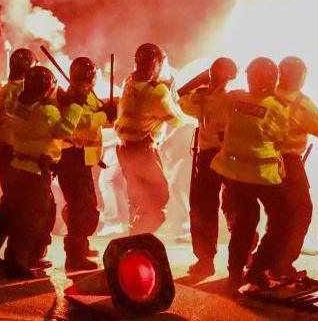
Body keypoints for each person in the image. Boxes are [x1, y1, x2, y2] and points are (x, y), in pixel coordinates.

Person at [210, 57, 291, 291]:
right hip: (262, 175)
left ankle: (235, 272)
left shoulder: (235, 99)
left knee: (245, 221)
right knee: (282, 220)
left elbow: (216, 117)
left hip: (235, 175)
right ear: (272, 79)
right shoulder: (276, 107)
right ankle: (258, 269)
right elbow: (281, 138)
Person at [2, 67, 82, 278]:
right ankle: (18, 264)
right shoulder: (46, 112)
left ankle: (21, 258)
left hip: (19, 168)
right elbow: (64, 130)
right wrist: (75, 104)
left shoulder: (20, 105)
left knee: (24, 216)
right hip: (35, 173)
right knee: (31, 219)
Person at [273, 56, 318, 277]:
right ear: (301, 76)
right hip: (289, 165)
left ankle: (267, 259)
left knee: (278, 214)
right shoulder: (301, 104)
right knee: (301, 211)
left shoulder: (265, 95)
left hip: (260, 162)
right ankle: (282, 263)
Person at [115, 43, 185, 235]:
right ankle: (140, 235)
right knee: (160, 193)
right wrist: (173, 97)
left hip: (125, 148)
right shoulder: (157, 91)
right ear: (155, 63)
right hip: (143, 149)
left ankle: (133, 237)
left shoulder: (128, 81)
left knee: (136, 195)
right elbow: (177, 121)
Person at [178, 57, 237, 278]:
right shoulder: (204, 96)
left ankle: (239, 256)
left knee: (234, 206)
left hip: (229, 154)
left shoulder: (234, 96)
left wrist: (202, 83)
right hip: (211, 155)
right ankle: (206, 259)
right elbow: (181, 98)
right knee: (204, 208)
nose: (215, 77)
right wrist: (202, 83)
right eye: (213, 72)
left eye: (220, 72)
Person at [57, 57, 117, 271]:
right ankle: (74, 256)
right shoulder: (74, 96)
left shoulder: (87, 95)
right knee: (83, 208)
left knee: (82, 205)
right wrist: (103, 116)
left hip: (84, 157)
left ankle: (79, 244)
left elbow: (98, 119)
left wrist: (108, 112)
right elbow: (80, 124)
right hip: (72, 156)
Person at [0, 48, 37, 267]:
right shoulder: (17, 91)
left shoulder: (11, 88)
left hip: (2, 147)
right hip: (6, 149)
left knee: (11, 201)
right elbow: (11, 118)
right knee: (15, 202)